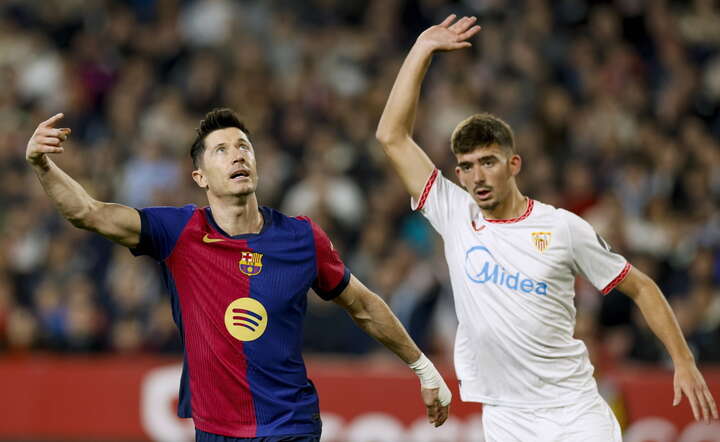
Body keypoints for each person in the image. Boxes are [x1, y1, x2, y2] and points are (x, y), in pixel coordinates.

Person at [375, 14, 718, 441]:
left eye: (488, 162)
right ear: (458, 175)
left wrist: (683, 360)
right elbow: (391, 136)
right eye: (466, 167)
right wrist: (421, 50)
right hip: (506, 418)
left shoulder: (562, 229)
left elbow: (642, 287)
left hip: (574, 413)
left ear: (513, 164)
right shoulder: (454, 212)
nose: (478, 177)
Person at [25, 108, 452, 441]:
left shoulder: (301, 237)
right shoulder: (180, 233)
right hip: (214, 430)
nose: (237, 155)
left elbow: (362, 305)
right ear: (200, 176)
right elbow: (87, 212)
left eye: (244, 146)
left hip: (290, 424)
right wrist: (44, 166)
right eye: (221, 150)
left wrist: (424, 369)